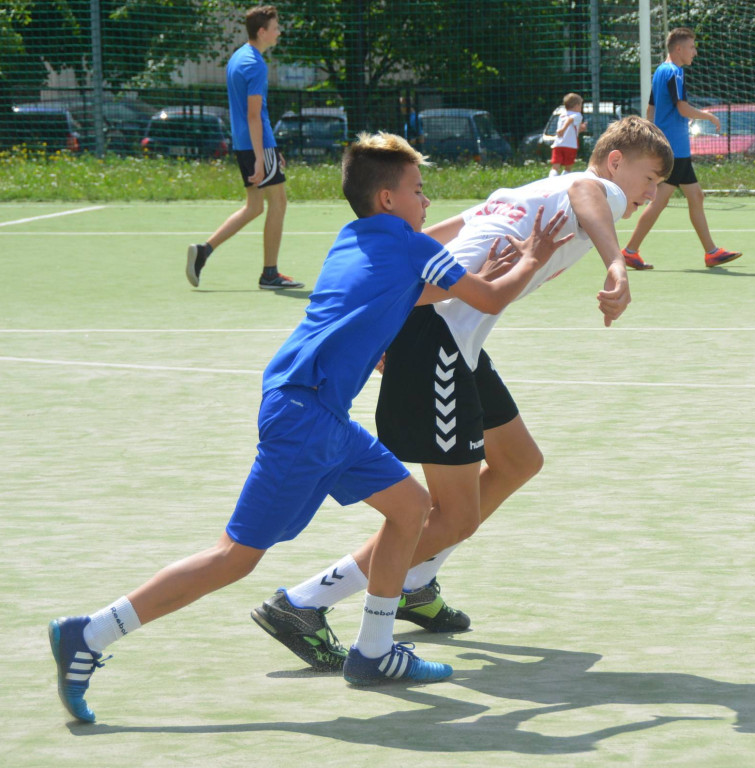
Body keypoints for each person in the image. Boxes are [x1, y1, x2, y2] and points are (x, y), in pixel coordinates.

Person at [48, 132, 573, 723]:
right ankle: (89, 633)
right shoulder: (409, 243)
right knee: (234, 557)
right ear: (387, 199)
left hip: (310, 409)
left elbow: (396, 298)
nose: (427, 200)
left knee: (410, 510)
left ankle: (374, 651)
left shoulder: (351, 239)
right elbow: (491, 295)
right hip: (307, 416)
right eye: (418, 190)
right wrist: (530, 256)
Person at [250, 116, 674, 668]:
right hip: (439, 345)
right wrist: (617, 262)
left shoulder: (522, 192)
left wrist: (389, 313)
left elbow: (434, 235)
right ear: (616, 162)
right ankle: (304, 601)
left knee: (519, 460)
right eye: (649, 177)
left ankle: (416, 582)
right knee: (451, 516)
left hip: (450, 340)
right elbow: (588, 190)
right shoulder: (592, 189)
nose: (650, 192)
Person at [186, 5, 303, 290]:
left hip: (246, 143)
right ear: (262, 32)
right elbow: (254, 115)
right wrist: (263, 158)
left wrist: (271, 150)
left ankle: (203, 251)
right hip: (255, 145)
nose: (279, 32)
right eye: (275, 27)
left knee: (254, 207)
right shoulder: (255, 64)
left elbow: (251, 116)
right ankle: (270, 274)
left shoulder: (238, 57)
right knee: (278, 202)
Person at [619, 27, 741, 271]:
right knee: (675, 198)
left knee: (683, 197)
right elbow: (682, 108)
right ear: (678, 49)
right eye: (692, 47)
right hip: (675, 149)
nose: (695, 52)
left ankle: (632, 251)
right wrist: (709, 116)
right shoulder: (675, 73)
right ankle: (709, 252)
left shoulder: (660, 72)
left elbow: (651, 110)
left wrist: (652, 138)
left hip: (670, 147)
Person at [549, 92, 587, 177]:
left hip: (558, 144)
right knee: (568, 167)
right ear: (576, 106)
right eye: (580, 105)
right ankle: (563, 182)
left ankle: (551, 180)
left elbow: (572, 128)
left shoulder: (562, 114)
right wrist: (563, 129)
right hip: (570, 145)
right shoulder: (577, 115)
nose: (581, 108)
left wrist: (580, 129)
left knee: (555, 167)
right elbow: (570, 120)